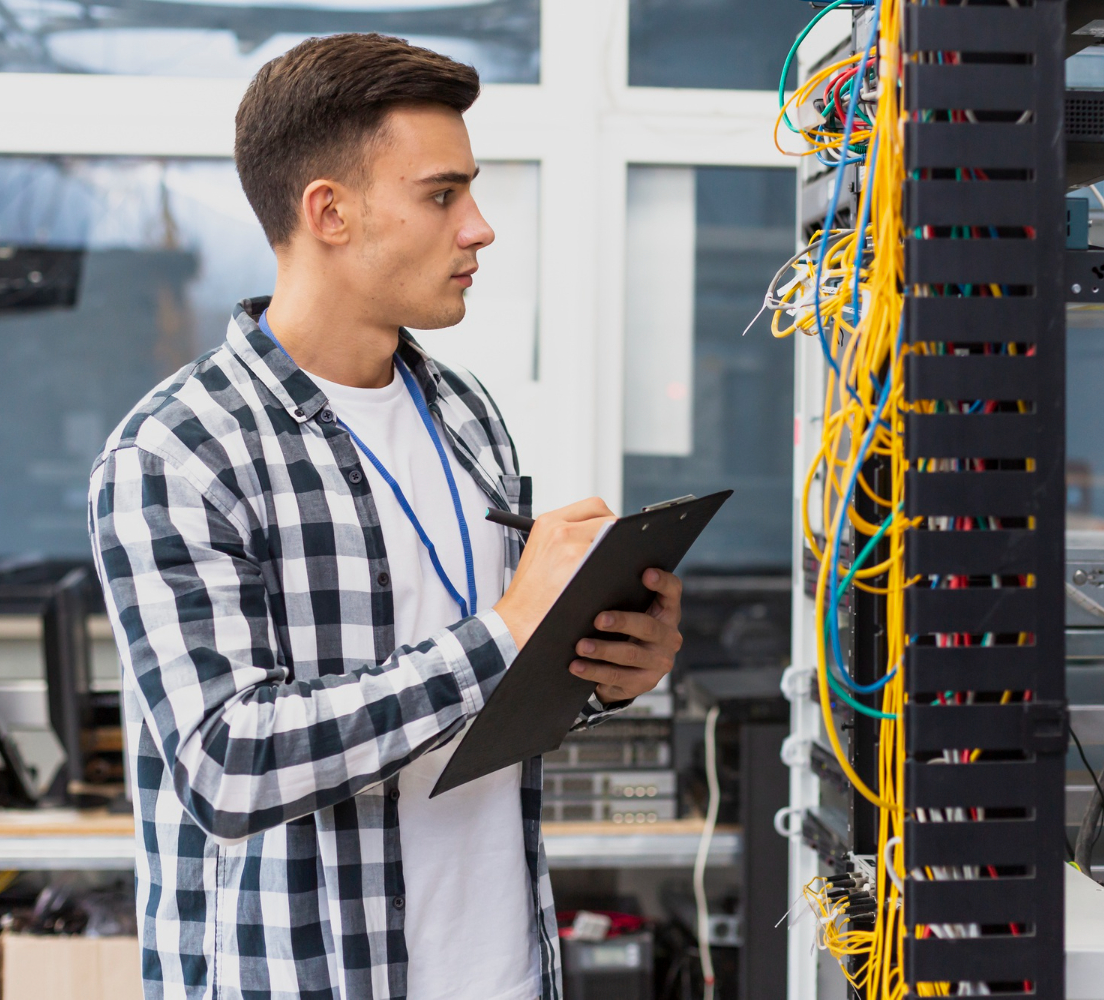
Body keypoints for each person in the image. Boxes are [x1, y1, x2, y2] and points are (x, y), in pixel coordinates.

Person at [87, 33, 683, 1000]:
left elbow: (474, 700)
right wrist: (506, 631)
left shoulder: (465, 414)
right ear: (330, 210)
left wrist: (606, 673)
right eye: (443, 195)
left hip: (505, 968)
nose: (480, 227)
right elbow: (228, 766)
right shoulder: (178, 452)